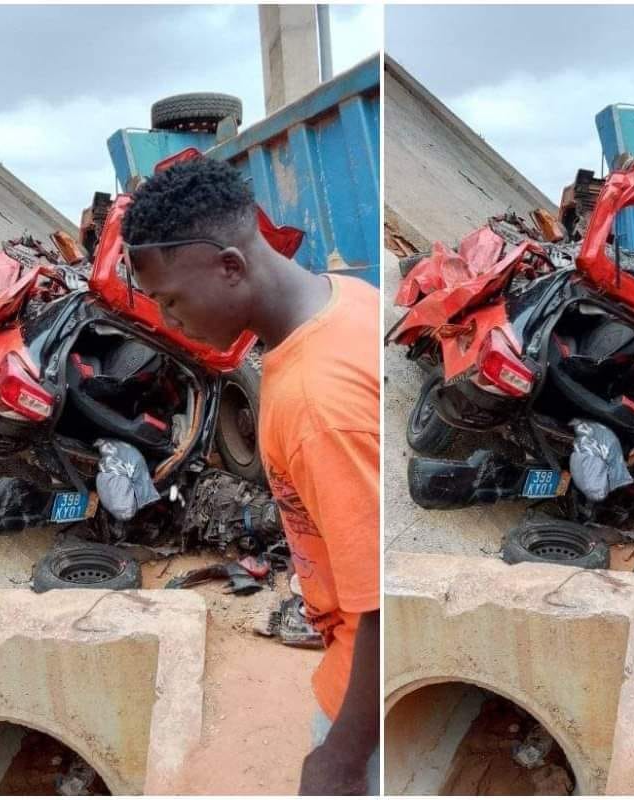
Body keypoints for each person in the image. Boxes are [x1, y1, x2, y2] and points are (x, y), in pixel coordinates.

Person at [121, 158, 380, 795]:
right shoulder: (347, 299)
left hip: (360, 696)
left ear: (231, 266)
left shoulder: (316, 405)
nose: (170, 320)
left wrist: (343, 756)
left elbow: (382, 599)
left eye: (172, 300)